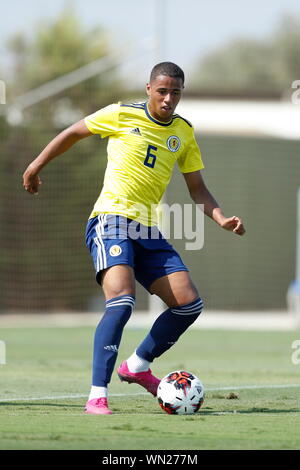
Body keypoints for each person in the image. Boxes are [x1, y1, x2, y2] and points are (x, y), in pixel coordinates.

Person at [23, 62, 245, 415]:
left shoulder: (184, 132)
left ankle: (138, 365)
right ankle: (98, 393)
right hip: (110, 220)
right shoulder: (121, 114)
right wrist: (35, 166)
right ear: (148, 89)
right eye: (162, 91)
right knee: (122, 302)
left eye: (176, 93)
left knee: (189, 303)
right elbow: (73, 133)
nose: (169, 99)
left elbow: (198, 189)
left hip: (147, 230)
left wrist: (221, 219)